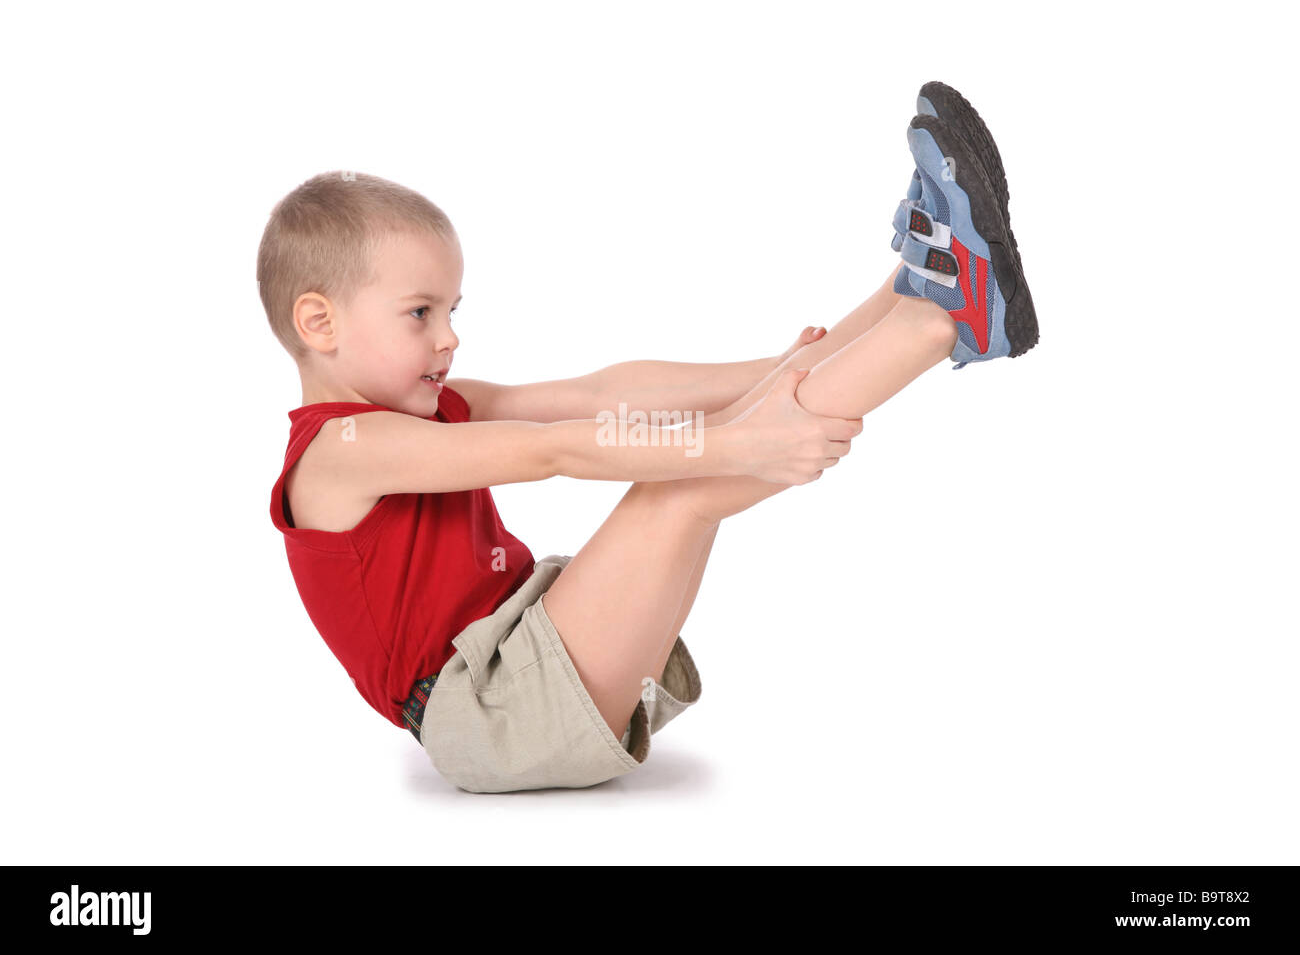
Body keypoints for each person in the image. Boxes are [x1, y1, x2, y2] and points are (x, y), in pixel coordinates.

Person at [263, 81, 1037, 793]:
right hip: (488, 713)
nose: (449, 339)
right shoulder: (342, 453)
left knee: (706, 447)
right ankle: (945, 321)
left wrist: (777, 368)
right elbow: (552, 449)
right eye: (420, 313)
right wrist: (736, 443)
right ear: (318, 323)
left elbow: (598, 393)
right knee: (684, 484)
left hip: (525, 645)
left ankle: (916, 285)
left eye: (453, 311)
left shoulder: (430, 409)